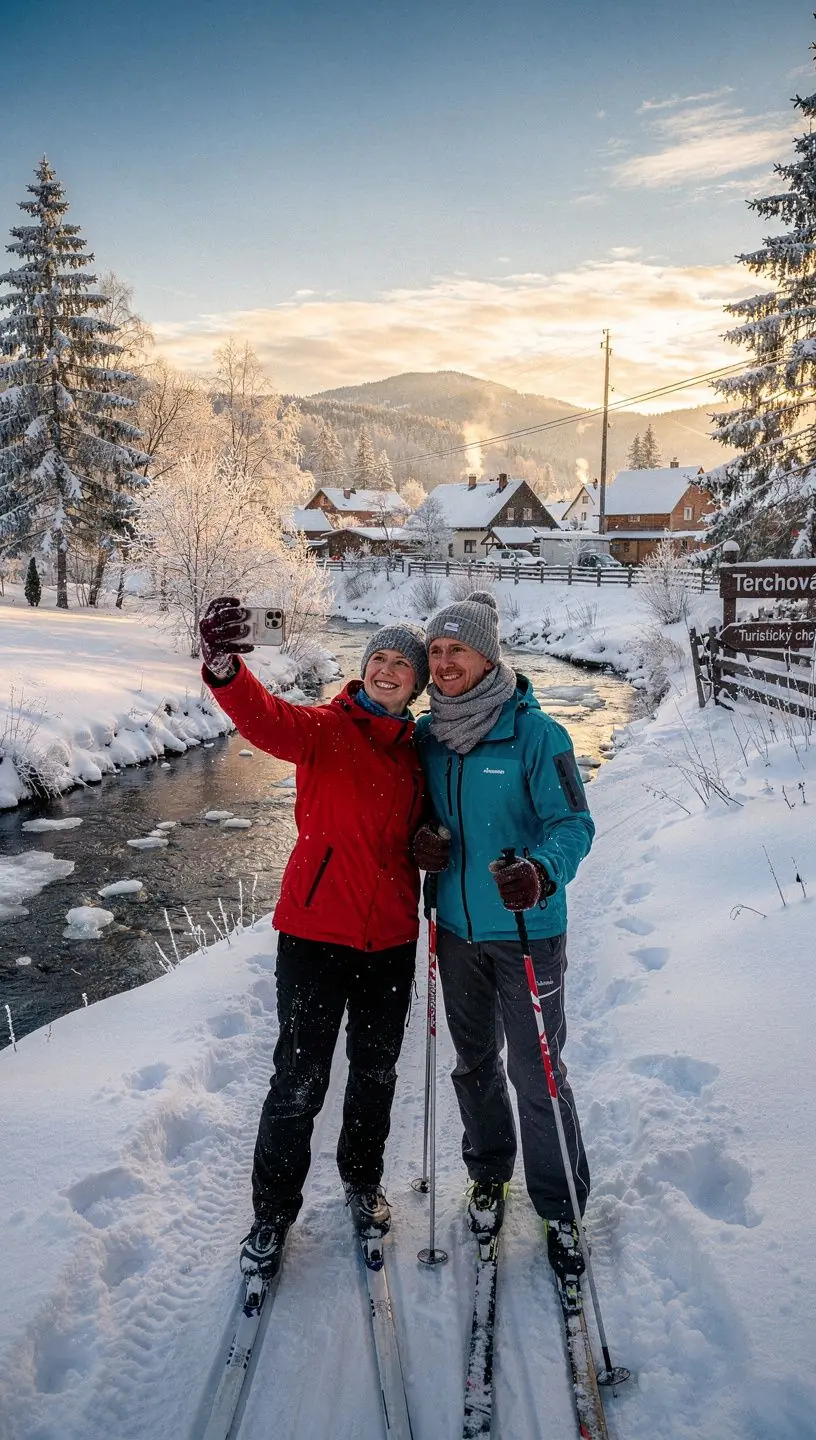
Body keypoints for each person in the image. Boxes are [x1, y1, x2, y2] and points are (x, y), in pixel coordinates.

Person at [199, 598, 429, 1279]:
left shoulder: (423, 752)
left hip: (389, 936)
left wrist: (434, 842)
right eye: (378, 660)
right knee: (299, 1078)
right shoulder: (326, 729)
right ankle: (272, 1212)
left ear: (416, 682)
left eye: (400, 664)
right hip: (314, 934)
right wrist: (223, 667)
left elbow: (444, 822)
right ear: (364, 670)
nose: (387, 671)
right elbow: (265, 718)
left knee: (375, 1072)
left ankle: (362, 1183)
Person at [412, 590, 595, 1278]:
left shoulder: (537, 734)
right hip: (457, 931)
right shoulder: (429, 736)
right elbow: (422, 817)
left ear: (488, 656)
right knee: (475, 1065)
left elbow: (574, 825)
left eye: (457, 648)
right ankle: (488, 1173)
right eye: (436, 650)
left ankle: (562, 1206)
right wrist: (423, 842)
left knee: (538, 1074)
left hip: (526, 932)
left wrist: (542, 873)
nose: (445, 661)